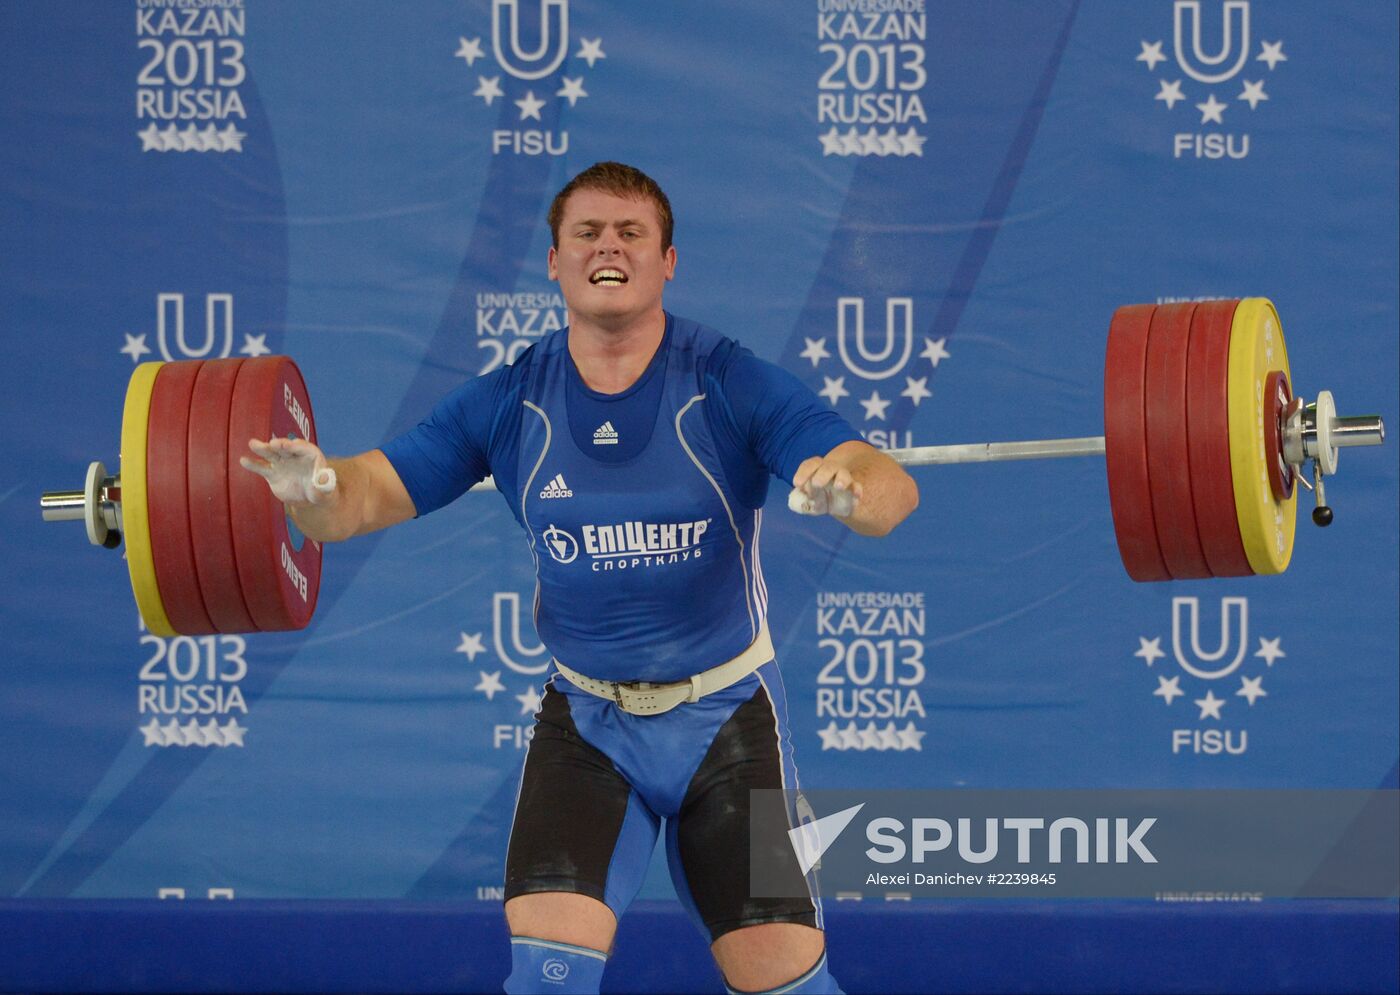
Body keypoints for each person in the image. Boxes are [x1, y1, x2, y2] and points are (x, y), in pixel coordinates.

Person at [241, 162, 918, 995]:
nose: (609, 246)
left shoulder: (726, 380)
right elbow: (357, 499)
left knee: (786, 985)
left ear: (668, 261)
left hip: (729, 720)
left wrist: (850, 489)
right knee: (546, 980)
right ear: (555, 262)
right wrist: (310, 487)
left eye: (632, 233)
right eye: (588, 233)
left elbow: (888, 487)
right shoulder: (509, 400)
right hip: (591, 725)